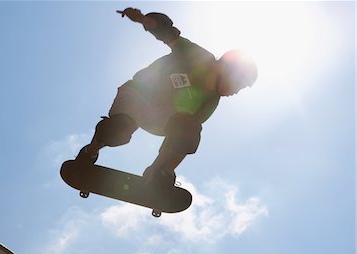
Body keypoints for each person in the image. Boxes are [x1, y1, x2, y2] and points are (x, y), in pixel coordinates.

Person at [75, 7, 258, 186]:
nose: (236, 92)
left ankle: (163, 173)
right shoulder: (199, 57)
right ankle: (90, 152)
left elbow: (178, 139)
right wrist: (142, 19)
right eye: (239, 85)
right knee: (118, 129)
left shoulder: (210, 101)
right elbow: (168, 34)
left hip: (161, 117)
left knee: (190, 129)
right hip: (138, 94)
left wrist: (156, 167)